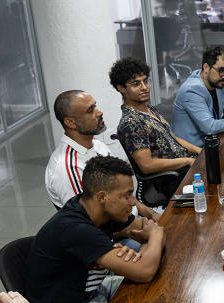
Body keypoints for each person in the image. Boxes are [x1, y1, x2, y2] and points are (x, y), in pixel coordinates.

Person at [26, 156, 165, 303]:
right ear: (102, 197)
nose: (132, 202)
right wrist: (153, 237)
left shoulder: (98, 210)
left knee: (156, 291)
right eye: (127, 195)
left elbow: (156, 239)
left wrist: (150, 244)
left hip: (91, 288)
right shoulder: (76, 228)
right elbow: (145, 269)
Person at [45, 90, 160, 225]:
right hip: (115, 235)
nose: (99, 112)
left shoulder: (98, 145)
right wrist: (147, 229)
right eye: (90, 110)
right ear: (70, 122)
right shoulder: (67, 168)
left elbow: (125, 196)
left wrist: (153, 215)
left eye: (95, 106)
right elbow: (90, 223)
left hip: (131, 220)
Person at [110, 57, 199, 200]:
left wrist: (200, 152)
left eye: (145, 81)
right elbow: (147, 165)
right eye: (136, 84)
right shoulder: (131, 122)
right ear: (121, 88)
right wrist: (188, 161)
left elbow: (173, 139)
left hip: (186, 168)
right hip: (173, 179)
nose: (144, 87)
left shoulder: (149, 109)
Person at [172, 46, 224, 146]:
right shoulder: (191, 90)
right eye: (221, 71)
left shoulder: (216, 83)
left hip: (214, 142)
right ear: (206, 67)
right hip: (193, 152)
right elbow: (210, 128)